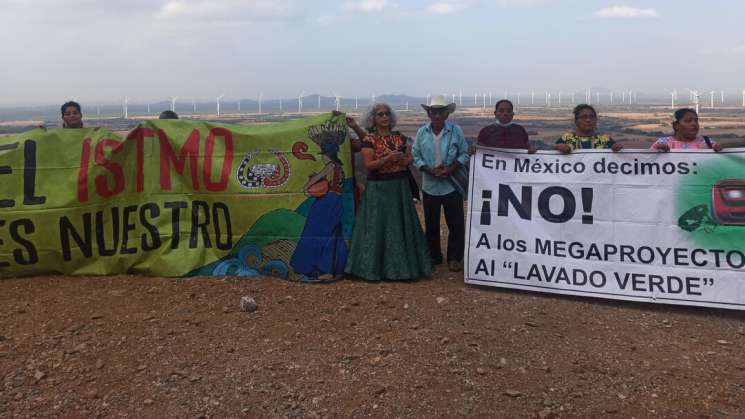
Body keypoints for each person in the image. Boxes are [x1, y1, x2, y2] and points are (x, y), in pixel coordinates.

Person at [344, 104, 432, 281]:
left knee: (400, 226)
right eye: (380, 114)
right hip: (379, 189)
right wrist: (387, 159)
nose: (385, 117)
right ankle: (373, 268)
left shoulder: (400, 137)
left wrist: (405, 160)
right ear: (373, 119)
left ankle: (405, 268)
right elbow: (368, 165)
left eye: (387, 114)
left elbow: (409, 158)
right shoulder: (370, 140)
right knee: (378, 227)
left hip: (400, 186)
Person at [412, 95, 469, 272]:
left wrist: (450, 169)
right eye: (433, 112)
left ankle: (454, 258)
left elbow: (464, 154)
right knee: (431, 224)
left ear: (446, 114)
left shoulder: (456, 131)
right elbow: (416, 156)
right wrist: (430, 171)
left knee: (456, 223)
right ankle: (434, 256)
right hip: (430, 185)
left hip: (451, 185)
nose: (437, 115)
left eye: (440, 112)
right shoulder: (422, 132)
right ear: (429, 113)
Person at [555, 104, 623, 153]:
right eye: (583, 117)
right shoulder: (566, 138)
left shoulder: (605, 140)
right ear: (576, 121)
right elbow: (548, 152)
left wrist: (617, 148)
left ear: (596, 120)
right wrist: (557, 147)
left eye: (592, 117)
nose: (588, 120)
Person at [651, 108, 723, 151]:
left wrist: (719, 151)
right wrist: (655, 151)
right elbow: (646, 163)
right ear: (676, 125)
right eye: (688, 121)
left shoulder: (708, 142)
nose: (694, 124)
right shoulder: (663, 143)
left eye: (696, 120)